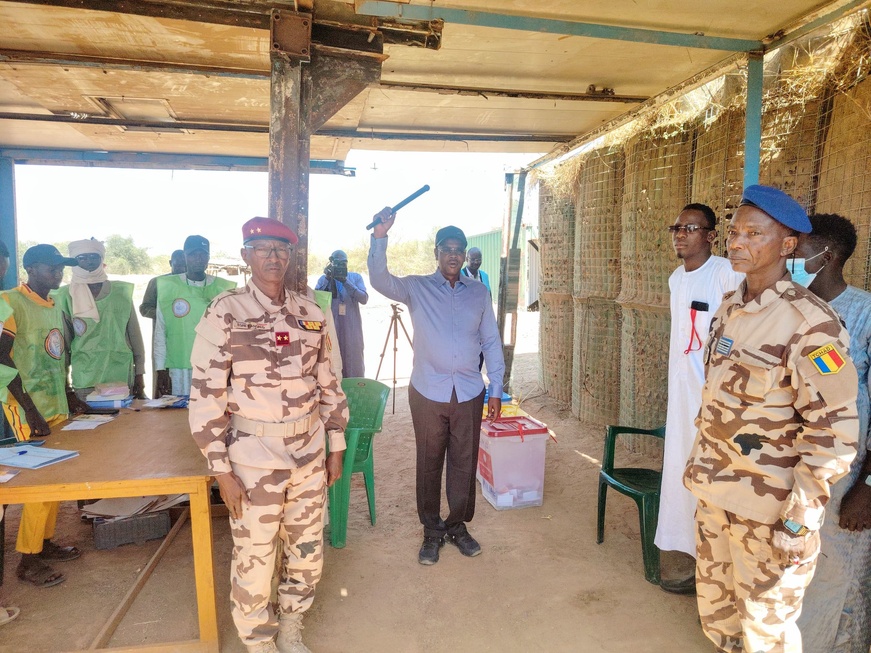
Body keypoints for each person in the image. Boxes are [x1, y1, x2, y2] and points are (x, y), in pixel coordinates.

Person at [683, 185, 859, 652]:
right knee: (720, 624)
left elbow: (835, 434)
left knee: (768, 635)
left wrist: (799, 521)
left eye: (753, 234)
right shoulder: (730, 308)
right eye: (735, 232)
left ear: (787, 246)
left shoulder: (811, 325)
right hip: (716, 496)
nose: (737, 243)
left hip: (770, 514)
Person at [188, 217, 348, 653]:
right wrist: (220, 469)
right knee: (255, 556)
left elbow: (330, 385)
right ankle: (258, 641)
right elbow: (206, 397)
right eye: (263, 249)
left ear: (291, 256)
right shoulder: (226, 312)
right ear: (246, 256)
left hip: (309, 452)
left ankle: (292, 624)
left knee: (307, 547)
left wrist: (336, 447)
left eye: (281, 249)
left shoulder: (311, 313)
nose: (273, 257)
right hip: (252, 456)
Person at [367, 209, 505, 565]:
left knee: (463, 462)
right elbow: (380, 279)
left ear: (465, 254)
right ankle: (432, 531)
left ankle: (457, 525)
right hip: (428, 391)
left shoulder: (479, 293)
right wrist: (380, 236)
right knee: (429, 461)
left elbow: (491, 341)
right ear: (436, 252)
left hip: (470, 393)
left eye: (460, 249)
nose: (454, 255)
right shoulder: (416, 287)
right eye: (447, 248)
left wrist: (496, 388)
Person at [656, 203, 743, 595]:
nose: (680, 234)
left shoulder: (726, 272)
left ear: (710, 236)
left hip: (715, 400)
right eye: (677, 227)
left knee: (713, 479)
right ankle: (695, 561)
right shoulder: (677, 278)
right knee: (682, 473)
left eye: (690, 228)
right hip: (682, 396)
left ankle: (718, 573)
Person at [794, 213, 871, 653]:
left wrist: (867, 485)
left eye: (799, 248)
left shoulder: (864, 313)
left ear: (828, 254)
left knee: (842, 576)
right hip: (795, 468)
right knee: (797, 569)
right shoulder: (791, 309)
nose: (791, 256)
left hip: (847, 475)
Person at [0, 245, 90, 588]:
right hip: (25, 406)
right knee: (38, 480)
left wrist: (68, 395)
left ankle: (43, 542)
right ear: (31, 268)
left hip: (53, 403)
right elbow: (2, 357)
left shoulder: (52, 305)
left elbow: (57, 355)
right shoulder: (11, 302)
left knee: (53, 476)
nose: (59, 272)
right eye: (51, 267)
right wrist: (30, 408)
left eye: (61, 267)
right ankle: (28, 558)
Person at [53, 238, 147, 400]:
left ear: (101, 259)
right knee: (89, 423)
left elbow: (135, 336)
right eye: (82, 258)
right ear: (74, 261)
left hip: (120, 375)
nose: (89, 261)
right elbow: (64, 343)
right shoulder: (65, 295)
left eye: (94, 256)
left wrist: (139, 374)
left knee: (124, 423)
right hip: (85, 377)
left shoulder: (121, 291)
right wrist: (65, 384)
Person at [154, 236, 234, 397]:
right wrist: (160, 369)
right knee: (180, 415)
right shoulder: (169, 287)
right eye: (193, 254)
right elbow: (160, 332)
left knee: (211, 411)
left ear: (208, 257)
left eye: (203, 254)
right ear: (184, 256)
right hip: (179, 366)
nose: (198, 259)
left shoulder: (223, 289)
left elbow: (232, 333)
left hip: (213, 364)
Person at [314, 249, 368, 378]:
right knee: (331, 356)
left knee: (353, 357)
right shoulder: (324, 279)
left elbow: (364, 299)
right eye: (337, 263)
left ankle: (355, 390)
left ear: (347, 263)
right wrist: (328, 279)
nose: (340, 266)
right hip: (332, 326)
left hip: (351, 328)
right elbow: (315, 301)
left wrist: (345, 281)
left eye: (343, 263)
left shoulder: (355, 277)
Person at [139, 249, 186, 320]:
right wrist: (166, 314)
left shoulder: (193, 284)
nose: (182, 269)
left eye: (185, 266)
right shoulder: (156, 282)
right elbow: (144, 309)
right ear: (170, 263)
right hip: (162, 329)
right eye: (178, 265)